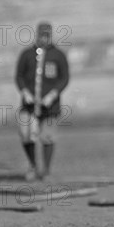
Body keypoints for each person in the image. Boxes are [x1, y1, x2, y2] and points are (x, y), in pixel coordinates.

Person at [15, 21, 69, 180]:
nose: (44, 38)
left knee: (48, 137)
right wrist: (24, 92)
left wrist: (53, 94)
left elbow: (64, 78)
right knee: (26, 134)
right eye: (42, 35)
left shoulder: (58, 55)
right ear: (37, 35)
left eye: (47, 35)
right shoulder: (27, 54)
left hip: (50, 106)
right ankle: (33, 165)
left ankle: (45, 170)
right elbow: (19, 76)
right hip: (29, 106)